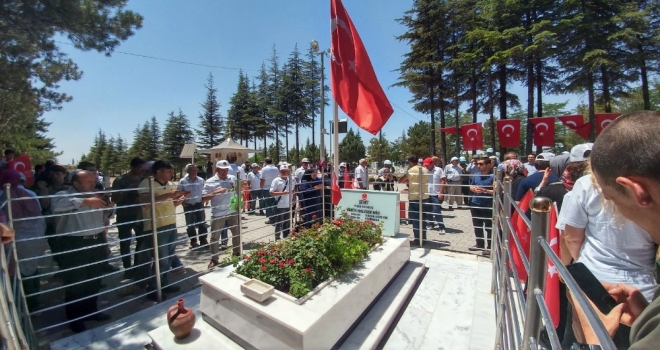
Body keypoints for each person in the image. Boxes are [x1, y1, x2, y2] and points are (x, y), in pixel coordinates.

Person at [568, 111, 660, 349]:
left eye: (611, 200)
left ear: (636, 191)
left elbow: (571, 235)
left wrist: (594, 343)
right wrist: (646, 321)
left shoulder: (583, 186)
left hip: (600, 281)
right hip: (644, 290)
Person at [51, 171, 115, 333]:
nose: (93, 184)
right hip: (74, 242)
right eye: (89, 182)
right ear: (76, 184)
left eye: (94, 181)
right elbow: (57, 206)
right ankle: (75, 318)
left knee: (94, 277)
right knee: (76, 281)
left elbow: (106, 216)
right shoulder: (62, 195)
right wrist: (86, 201)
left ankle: (91, 310)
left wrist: (109, 208)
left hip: (97, 240)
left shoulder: (96, 195)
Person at [135, 161, 188, 298]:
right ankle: (153, 288)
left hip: (170, 224)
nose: (171, 174)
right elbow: (146, 204)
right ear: (159, 171)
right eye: (168, 171)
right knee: (161, 258)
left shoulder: (170, 185)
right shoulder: (147, 184)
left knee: (169, 257)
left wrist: (180, 199)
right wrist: (169, 195)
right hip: (156, 226)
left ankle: (163, 283)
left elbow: (172, 204)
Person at [0, 170, 46, 311]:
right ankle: (33, 304)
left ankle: (17, 306)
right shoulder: (31, 194)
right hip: (33, 238)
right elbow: (39, 216)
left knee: (13, 271)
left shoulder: (2, 196)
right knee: (31, 269)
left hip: (13, 239)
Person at [111, 157, 147, 278]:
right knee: (125, 242)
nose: (142, 170)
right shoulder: (120, 180)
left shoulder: (144, 179)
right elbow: (114, 199)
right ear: (132, 167)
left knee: (141, 241)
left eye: (143, 168)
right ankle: (127, 268)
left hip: (140, 214)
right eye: (140, 168)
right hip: (124, 215)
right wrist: (129, 189)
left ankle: (137, 266)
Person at [203, 160, 240, 268]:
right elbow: (203, 198)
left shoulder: (232, 178)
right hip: (218, 213)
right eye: (222, 170)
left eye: (226, 170)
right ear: (217, 169)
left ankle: (237, 253)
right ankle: (214, 259)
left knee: (237, 233)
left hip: (232, 210)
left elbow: (238, 191)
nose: (225, 172)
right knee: (215, 237)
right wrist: (216, 192)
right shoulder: (210, 181)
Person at [177, 164, 208, 249]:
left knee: (202, 223)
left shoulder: (201, 180)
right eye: (192, 170)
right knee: (190, 225)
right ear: (188, 171)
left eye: (196, 170)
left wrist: (205, 199)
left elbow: (205, 190)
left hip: (199, 204)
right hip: (188, 205)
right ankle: (193, 241)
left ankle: (203, 240)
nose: (194, 172)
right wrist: (182, 203)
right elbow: (178, 192)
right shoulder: (183, 181)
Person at [468, 157, 494, 255]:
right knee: (477, 226)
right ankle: (479, 244)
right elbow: (471, 186)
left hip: (488, 205)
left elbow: (498, 191)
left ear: (488, 165)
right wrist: (473, 189)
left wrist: (486, 191)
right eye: (477, 164)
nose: (478, 166)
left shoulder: (493, 176)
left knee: (489, 227)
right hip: (475, 204)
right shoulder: (475, 175)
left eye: (481, 164)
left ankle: (490, 247)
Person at [403, 156, 429, 245]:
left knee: (416, 220)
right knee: (423, 219)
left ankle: (418, 239)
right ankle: (423, 238)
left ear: (410, 162)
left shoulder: (412, 170)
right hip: (425, 197)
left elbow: (402, 180)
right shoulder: (424, 169)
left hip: (415, 197)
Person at [270, 164, 294, 240]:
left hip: (288, 203)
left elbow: (293, 190)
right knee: (279, 222)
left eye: (285, 171)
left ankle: (286, 235)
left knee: (287, 221)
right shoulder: (276, 180)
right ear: (279, 172)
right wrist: (283, 193)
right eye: (282, 171)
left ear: (288, 172)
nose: (284, 173)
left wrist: (293, 200)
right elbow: (271, 193)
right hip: (280, 204)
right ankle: (277, 237)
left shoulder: (291, 180)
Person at [423, 157, 446, 234]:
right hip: (426, 194)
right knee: (428, 211)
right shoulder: (424, 170)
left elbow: (443, 181)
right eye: (425, 165)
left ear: (432, 163)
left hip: (436, 194)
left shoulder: (439, 170)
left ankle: (441, 227)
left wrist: (441, 193)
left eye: (427, 165)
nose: (426, 166)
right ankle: (431, 224)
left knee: (436, 211)